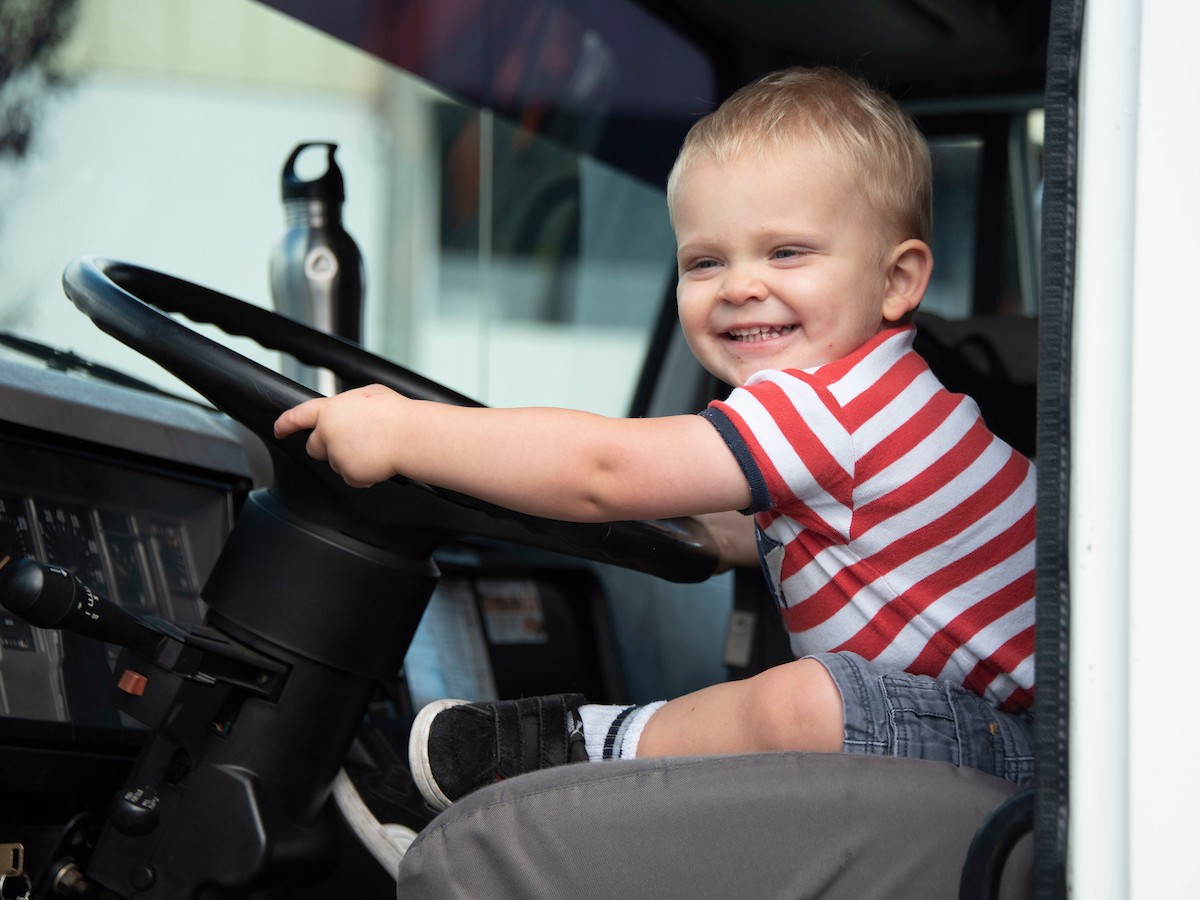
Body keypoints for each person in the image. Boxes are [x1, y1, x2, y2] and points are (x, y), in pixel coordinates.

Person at [273, 66, 1036, 814]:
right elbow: (827, 532)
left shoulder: (830, 405)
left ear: (897, 281)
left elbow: (602, 469)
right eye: (706, 261)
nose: (739, 286)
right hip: (1009, 731)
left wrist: (403, 432)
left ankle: (582, 749)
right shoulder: (878, 401)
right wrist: (710, 532)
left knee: (812, 705)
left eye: (787, 253)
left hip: (1043, 757)